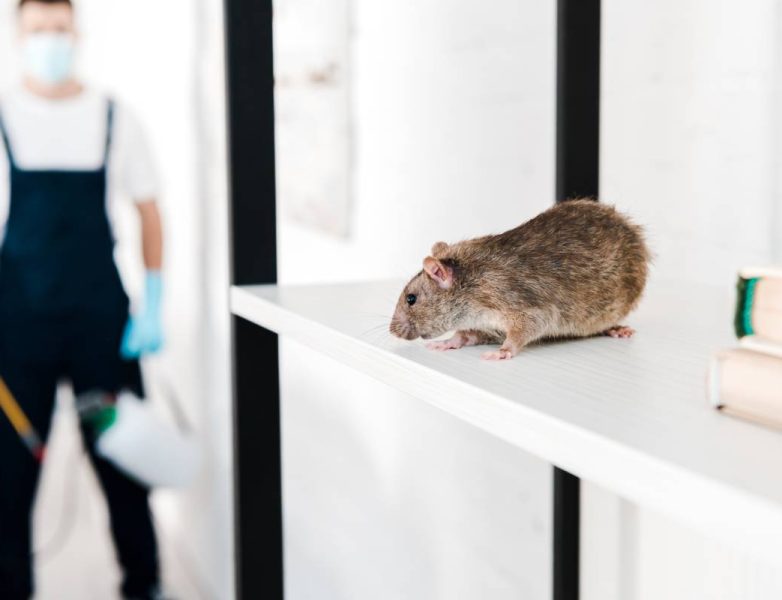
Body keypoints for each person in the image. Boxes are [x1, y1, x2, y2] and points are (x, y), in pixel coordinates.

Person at [0, 0, 165, 598]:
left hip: (101, 329)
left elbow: (148, 209)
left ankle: (144, 584)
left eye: (60, 29)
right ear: (19, 37)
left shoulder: (114, 117)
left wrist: (155, 298)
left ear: (78, 33)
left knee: (123, 464)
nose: (51, 40)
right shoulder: (2, 115)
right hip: (16, 334)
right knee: (7, 478)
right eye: (38, 31)